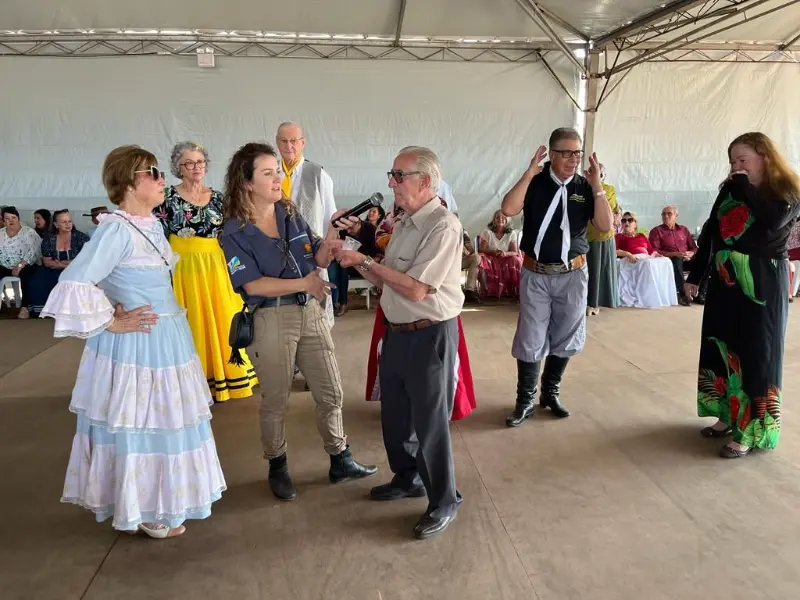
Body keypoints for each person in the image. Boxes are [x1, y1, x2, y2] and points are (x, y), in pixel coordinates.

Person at [40, 145, 226, 538]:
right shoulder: (116, 229)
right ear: (128, 182)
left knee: (166, 421)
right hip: (138, 343)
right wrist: (110, 320)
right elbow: (74, 280)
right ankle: (140, 507)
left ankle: (159, 502)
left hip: (167, 337)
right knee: (140, 423)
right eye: (152, 172)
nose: (162, 179)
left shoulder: (151, 224)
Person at [220, 142, 376, 501]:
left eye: (277, 170)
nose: (278, 177)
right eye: (268, 173)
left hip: (309, 312)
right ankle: (277, 465)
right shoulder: (234, 231)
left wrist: (333, 237)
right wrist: (305, 284)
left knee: (331, 391)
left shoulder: (289, 213)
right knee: (275, 399)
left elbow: (317, 256)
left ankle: (340, 458)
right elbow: (253, 284)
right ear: (246, 183)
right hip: (271, 318)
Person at [336, 146, 465, 540]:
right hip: (397, 333)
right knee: (395, 416)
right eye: (391, 175)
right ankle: (408, 478)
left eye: (398, 175)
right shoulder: (405, 222)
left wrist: (364, 262)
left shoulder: (443, 226)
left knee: (430, 423)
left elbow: (416, 288)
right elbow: (388, 277)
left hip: (429, 335)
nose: (391, 183)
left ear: (424, 181)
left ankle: (444, 499)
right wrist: (357, 259)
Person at [685, 132, 800, 458]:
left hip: (762, 282)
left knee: (756, 351)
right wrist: (696, 274)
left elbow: (773, 221)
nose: (736, 166)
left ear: (764, 156)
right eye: (733, 160)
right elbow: (712, 231)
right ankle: (726, 415)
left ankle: (750, 431)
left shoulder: (788, 189)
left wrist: (745, 187)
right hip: (725, 280)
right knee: (721, 344)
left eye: (742, 159)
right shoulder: (731, 188)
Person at [501, 128, 612, 426]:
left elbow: (604, 225)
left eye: (577, 153)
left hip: (573, 273)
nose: (573, 159)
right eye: (566, 153)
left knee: (567, 333)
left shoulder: (585, 186)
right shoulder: (536, 182)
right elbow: (508, 208)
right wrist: (528, 174)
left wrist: (597, 185)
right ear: (552, 154)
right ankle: (525, 400)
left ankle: (550, 392)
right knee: (531, 336)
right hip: (536, 273)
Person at [154, 141, 256, 402]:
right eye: (189, 163)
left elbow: (233, 234)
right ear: (178, 168)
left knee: (223, 318)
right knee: (191, 323)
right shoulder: (166, 197)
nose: (196, 167)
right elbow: (157, 238)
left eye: (200, 162)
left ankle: (226, 376)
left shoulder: (220, 198)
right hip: (183, 268)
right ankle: (194, 382)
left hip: (215, 267)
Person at [275, 121, 336, 328]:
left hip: (311, 254)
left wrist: (325, 253)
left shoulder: (318, 174)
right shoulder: (271, 172)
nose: (288, 146)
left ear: (303, 143)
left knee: (315, 319)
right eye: (283, 141)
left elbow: (330, 220)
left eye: (293, 141)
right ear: (277, 142)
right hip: (276, 254)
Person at [25, 209, 90, 316]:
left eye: (69, 221)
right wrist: (67, 263)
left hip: (75, 270)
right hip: (52, 270)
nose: (68, 224)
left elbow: (84, 261)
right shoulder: (49, 238)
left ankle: (72, 311)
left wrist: (60, 263)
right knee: (36, 280)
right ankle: (43, 311)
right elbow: (47, 262)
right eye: (64, 222)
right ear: (56, 224)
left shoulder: (81, 238)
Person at [615, 211, 677, 309]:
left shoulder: (641, 235)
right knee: (648, 263)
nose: (626, 222)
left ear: (635, 223)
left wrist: (657, 255)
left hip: (646, 257)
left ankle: (665, 296)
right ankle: (648, 299)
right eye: (624, 220)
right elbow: (614, 251)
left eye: (630, 220)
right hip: (631, 259)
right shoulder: (619, 236)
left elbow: (651, 250)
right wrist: (628, 254)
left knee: (667, 261)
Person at [586, 164, 620, 315]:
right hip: (583, 235)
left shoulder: (608, 189)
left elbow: (612, 208)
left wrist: (598, 190)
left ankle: (594, 303)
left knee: (599, 270)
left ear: (603, 176)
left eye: (599, 174)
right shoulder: (582, 187)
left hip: (603, 236)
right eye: (592, 173)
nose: (596, 177)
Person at [648, 205, 698, 306]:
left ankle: (701, 293)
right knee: (676, 260)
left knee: (705, 260)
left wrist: (691, 253)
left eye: (669, 214)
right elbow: (654, 250)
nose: (666, 216)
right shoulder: (657, 231)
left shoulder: (683, 230)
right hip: (670, 260)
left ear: (676, 215)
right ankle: (683, 294)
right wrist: (674, 254)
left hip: (686, 258)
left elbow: (694, 247)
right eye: (663, 214)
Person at [0, 206, 42, 318]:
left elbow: (34, 251)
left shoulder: (28, 232)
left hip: (25, 265)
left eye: (13, 217)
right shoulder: (1, 233)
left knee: (27, 276)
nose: (11, 220)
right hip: (4, 265)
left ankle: (25, 307)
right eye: (7, 218)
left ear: (18, 219)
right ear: (3, 221)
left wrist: (20, 265)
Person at [478, 210, 523, 299]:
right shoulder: (487, 232)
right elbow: (482, 249)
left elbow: (514, 251)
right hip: (491, 257)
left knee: (516, 260)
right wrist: (494, 252)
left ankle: (517, 290)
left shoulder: (511, 233)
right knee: (481, 259)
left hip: (506, 257)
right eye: (497, 217)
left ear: (507, 220)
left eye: (503, 218)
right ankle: (485, 290)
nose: (500, 219)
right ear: (494, 220)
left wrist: (505, 253)